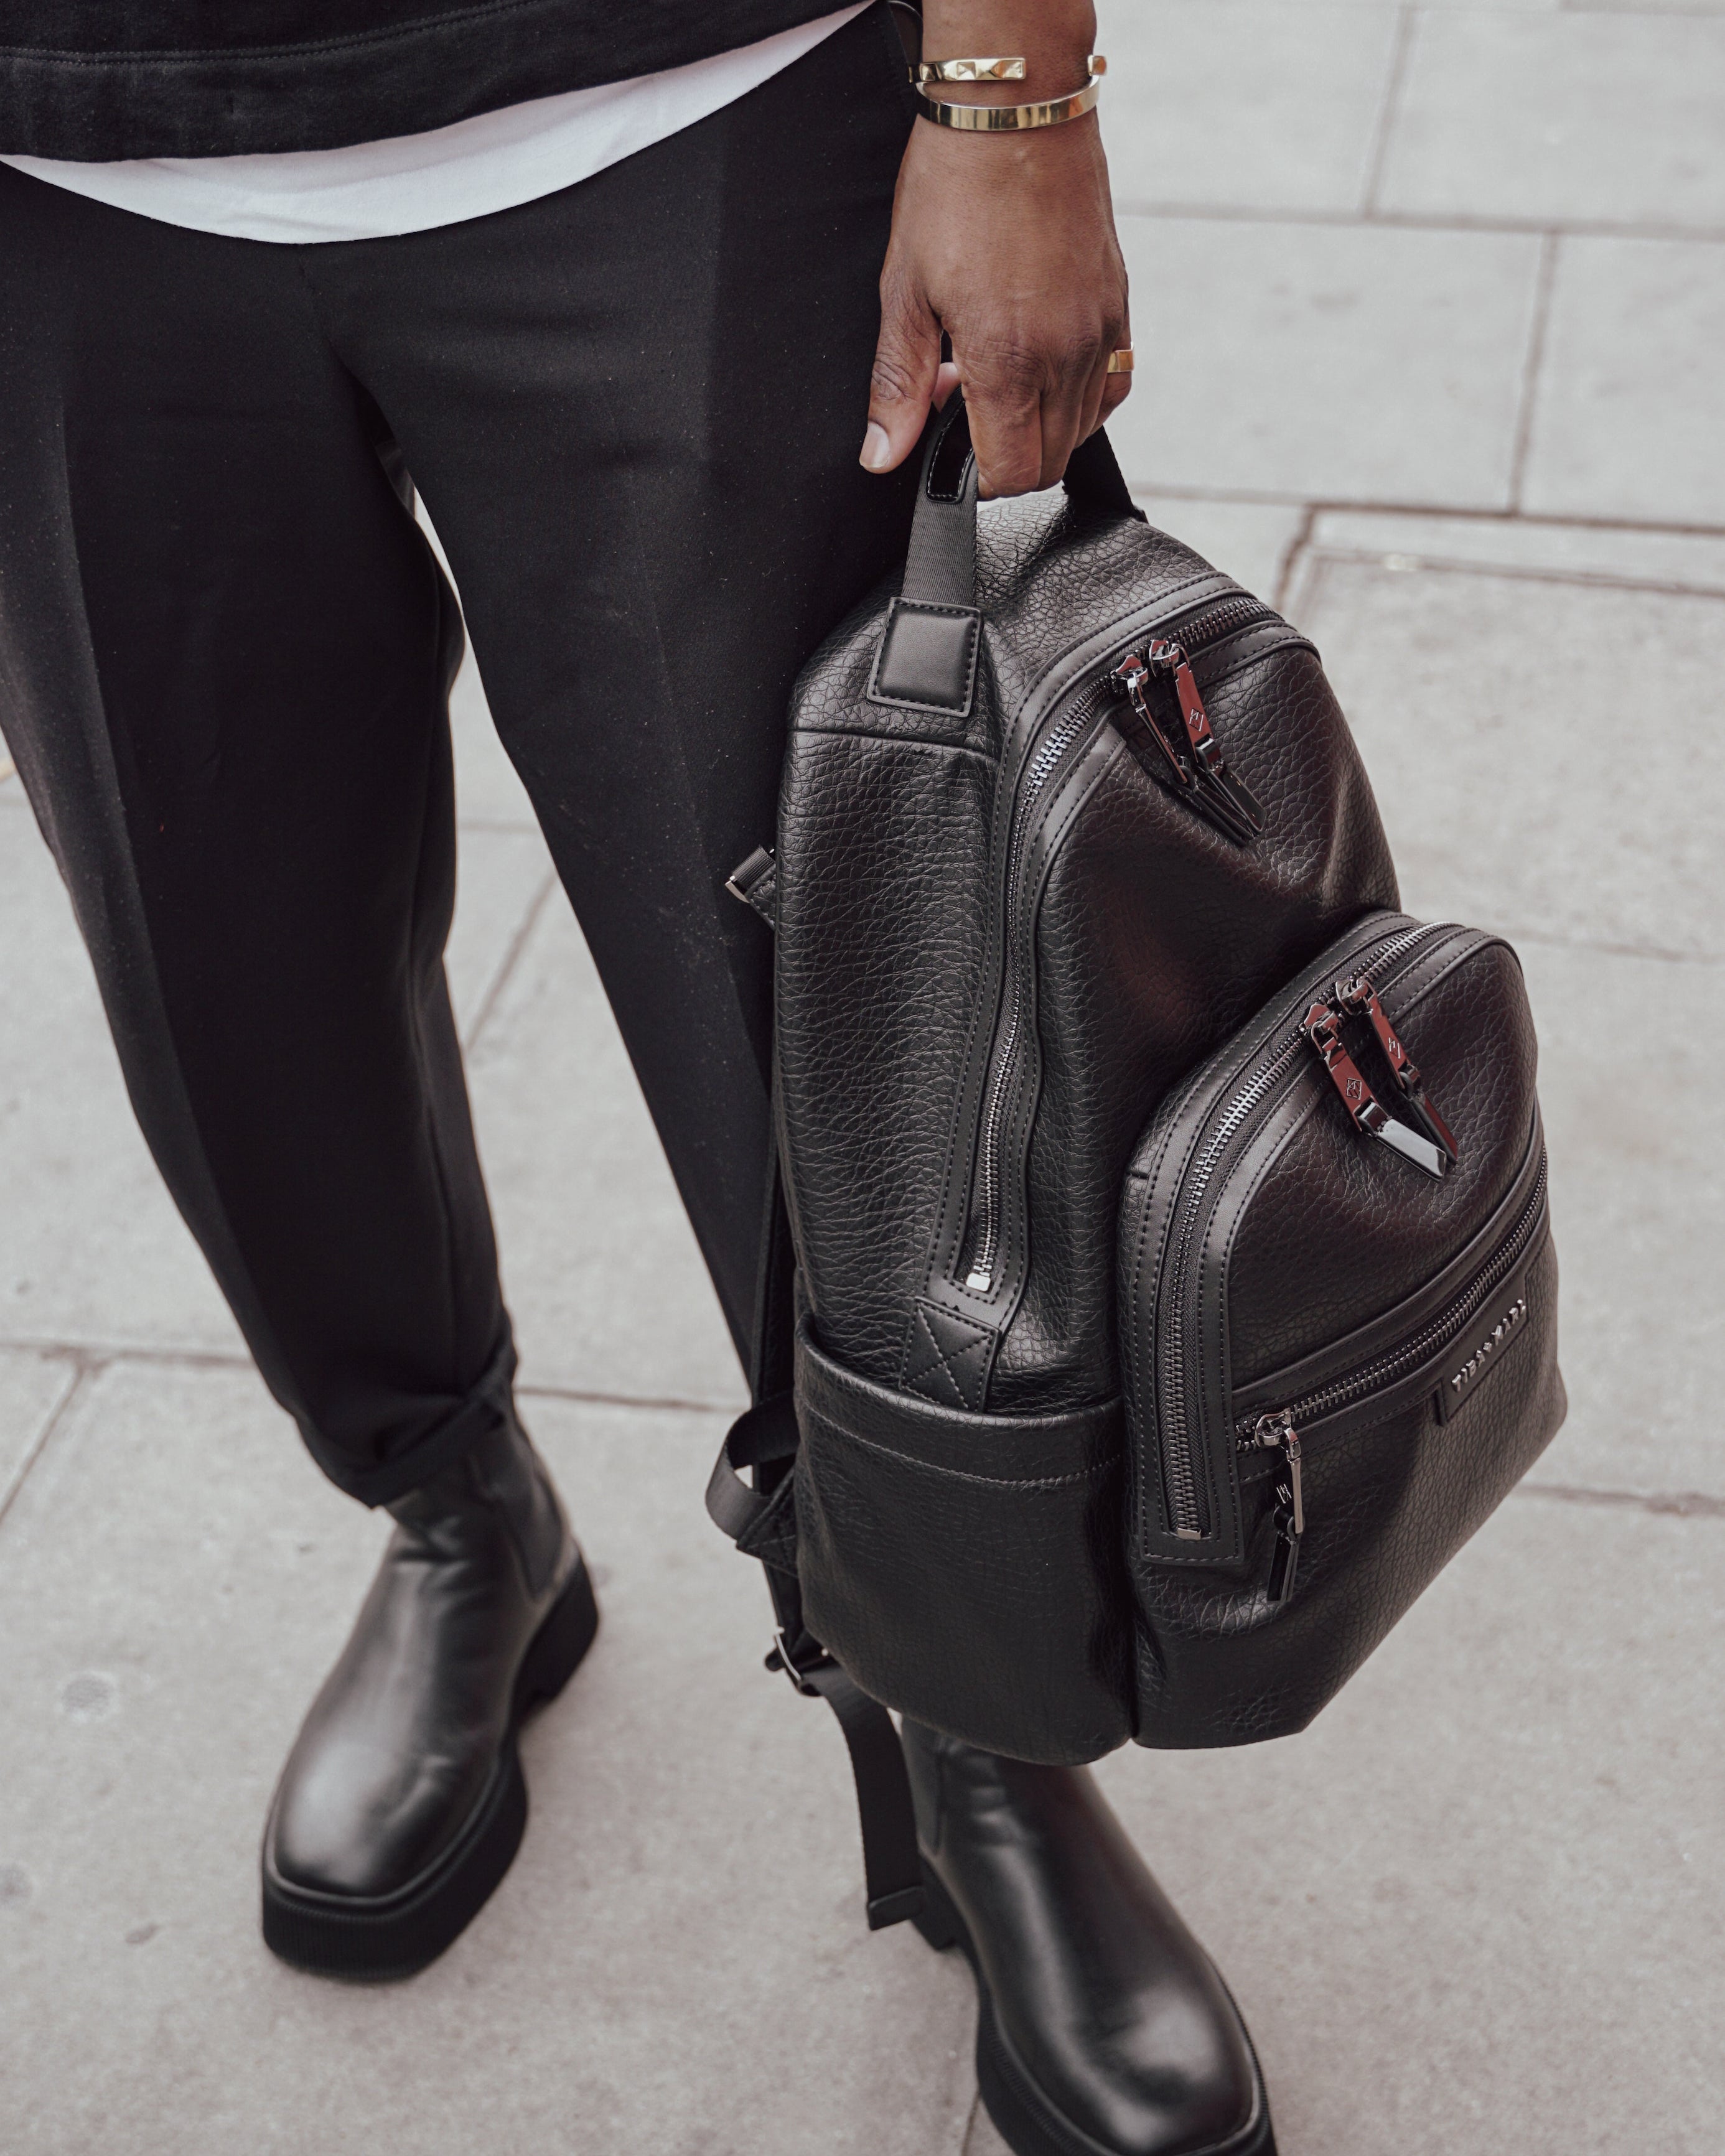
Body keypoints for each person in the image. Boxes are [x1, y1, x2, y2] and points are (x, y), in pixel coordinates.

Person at [0, 4, 1275, 2149]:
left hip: (678, 108)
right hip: (60, 185)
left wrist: (1012, 85)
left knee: (871, 1007)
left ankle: (974, 1721)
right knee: (234, 990)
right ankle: (455, 1509)